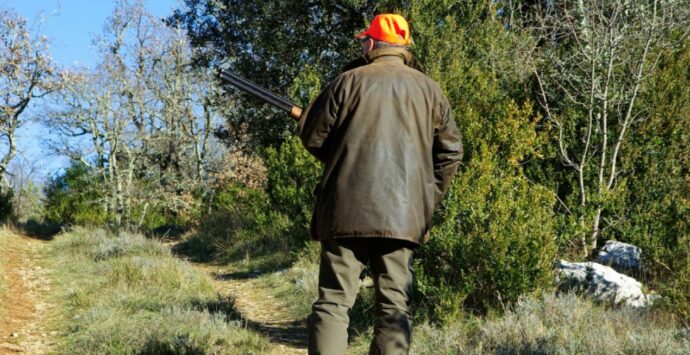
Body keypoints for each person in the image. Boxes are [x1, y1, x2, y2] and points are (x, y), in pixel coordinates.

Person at [298, 13, 463, 355]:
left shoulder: (347, 81)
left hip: (344, 213)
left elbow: (315, 139)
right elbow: (451, 153)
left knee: (333, 304)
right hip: (404, 218)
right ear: (403, 48)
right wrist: (424, 200)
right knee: (393, 309)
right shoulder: (430, 89)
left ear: (371, 44)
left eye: (363, 41)